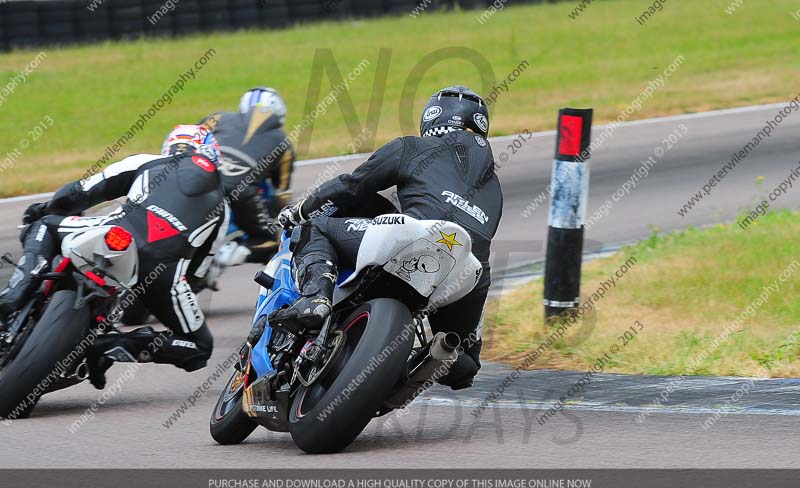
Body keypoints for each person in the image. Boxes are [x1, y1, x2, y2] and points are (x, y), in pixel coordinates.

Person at [271, 85, 503, 390]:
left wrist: (301, 210)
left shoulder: (413, 147)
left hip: (414, 235)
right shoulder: (495, 188)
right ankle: (427, 362)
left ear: (431, 119)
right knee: (465, 363)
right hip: (468, 268)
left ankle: (316, 298)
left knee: (316, 227)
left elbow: (351, 186)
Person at [0, 125, 229, 389]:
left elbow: (82, 191)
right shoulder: (223, 208)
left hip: (116, 232)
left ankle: (13, 296)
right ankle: (107, 346)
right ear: (213, 155)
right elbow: (197, 274)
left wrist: (48, 208)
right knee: (198, 348)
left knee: (44, 225)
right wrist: (159, 289)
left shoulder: (148, 161)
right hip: (165, 272)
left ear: (171, 146)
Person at [199, 87, 295, 265]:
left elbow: (188, 139)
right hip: (241, 194)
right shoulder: (284, 143)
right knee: (273, 240)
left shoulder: (218, 118)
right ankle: (235, 252)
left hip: (198, 178)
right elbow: (281, 195)